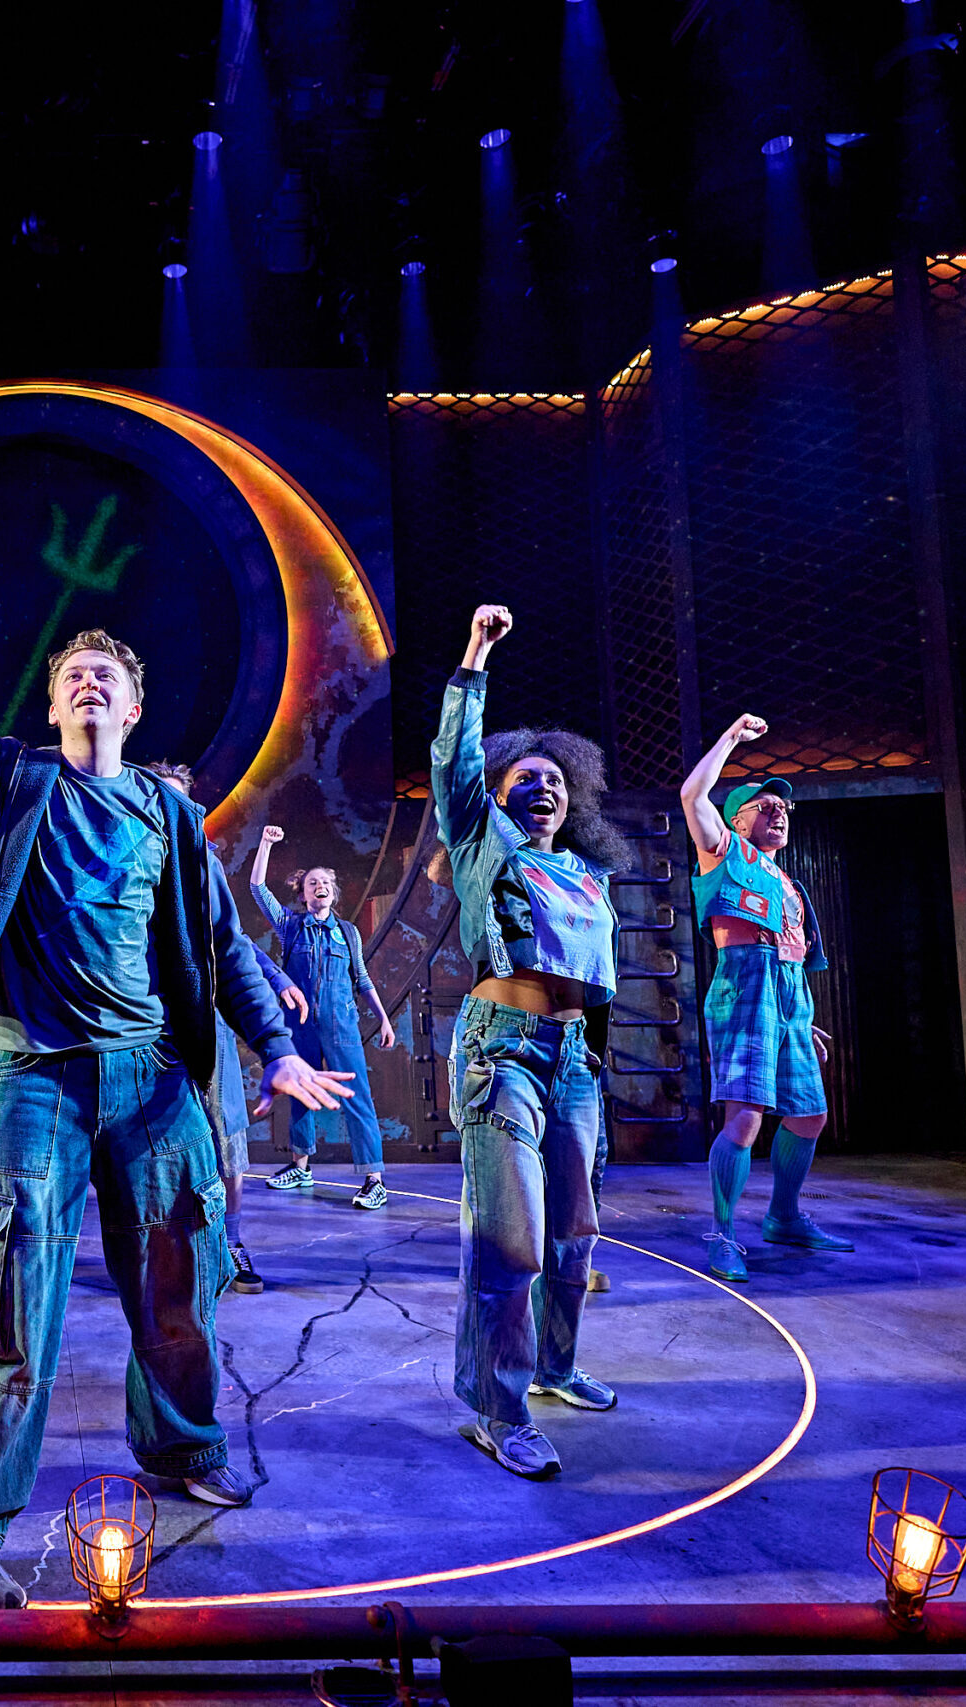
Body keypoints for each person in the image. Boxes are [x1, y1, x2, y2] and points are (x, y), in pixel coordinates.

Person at [0, 521, 355, 1610]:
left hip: (151, 1081)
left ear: (133, 710)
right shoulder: (6, 782)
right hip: (34, 1074)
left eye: (106, 676)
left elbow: (222, 946)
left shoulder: (169, 815)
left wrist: (276, 1053)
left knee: (184, 1287)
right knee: (3, 1310)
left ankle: (183, 1450)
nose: (88, 684)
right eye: (71, 675)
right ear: (53, 706)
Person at [431, 604, 628, 1479]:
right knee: (510, 1236)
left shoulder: (585, 872)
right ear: (502, 790)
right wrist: (474, 654)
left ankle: (552, 1366)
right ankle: (496, 1407)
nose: (542, 787)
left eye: (556, 780)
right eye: (525, 777)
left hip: (573, 1058)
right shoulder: (484, 842)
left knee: (574, 1232)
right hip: (501, 1051)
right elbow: (452, 764)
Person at [678, 719, 848, 1282]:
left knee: (810, 1115)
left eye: (784, 809)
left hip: (788, 1000)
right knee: (746, 1119)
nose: (779, 814)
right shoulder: (724, 852)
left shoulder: (788, 883)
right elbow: (691, 795)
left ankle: (783, 1216)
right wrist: (730, 740)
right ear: (737, 819)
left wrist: (802, 1021)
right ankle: (722, 1233)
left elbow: (794, 958)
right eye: (765, 806)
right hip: (746, 988)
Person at [150, 762, 310, 1294]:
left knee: (229, 1142)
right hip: (150, 1032)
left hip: (209, 1029)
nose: (171, 814)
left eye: (181, 804)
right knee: (157, 1147)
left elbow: (228, 939)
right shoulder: (128, 861)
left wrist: (276, 975)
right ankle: (165, 1251)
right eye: (161, 801)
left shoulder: (202, 866)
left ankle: (231, 1242)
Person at [252, 828, 395, 1207]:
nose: (321, 886)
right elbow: (257, 889)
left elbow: (362, 979)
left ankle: (373, 1178)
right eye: (313, 882)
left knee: (356, 1096)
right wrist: (266, 844)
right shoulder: (291, 926)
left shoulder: (347, 934)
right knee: (300, 1093)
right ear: (302, 894)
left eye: (326, 882)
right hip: (299, 1025)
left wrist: (383, 1019)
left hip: (342, 1025)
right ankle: (301, 1165)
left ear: (333, 891)